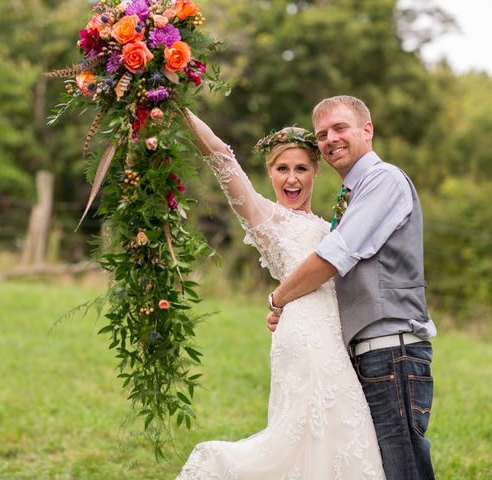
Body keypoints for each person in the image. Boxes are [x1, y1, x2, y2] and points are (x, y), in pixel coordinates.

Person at [176, 109, 385, 479]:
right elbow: (219, 154)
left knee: (340, 437)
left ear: (315, 172)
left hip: (338, 339)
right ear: (269, 173)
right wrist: (168, 93)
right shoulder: (264, 216)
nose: (292, 179)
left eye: (301, 169)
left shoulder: (329, 225)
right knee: (310, 435)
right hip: (304, 340)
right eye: (282, 169)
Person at [267, 95, 436, 480]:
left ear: (367, 129)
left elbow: (333, 257)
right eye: (322, 134)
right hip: (367, 356)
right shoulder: (352, 195)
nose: (330, 139)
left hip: (391, 352)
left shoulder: (383, 180)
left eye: (340, 128)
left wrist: (278, 298)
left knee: (403, 468)